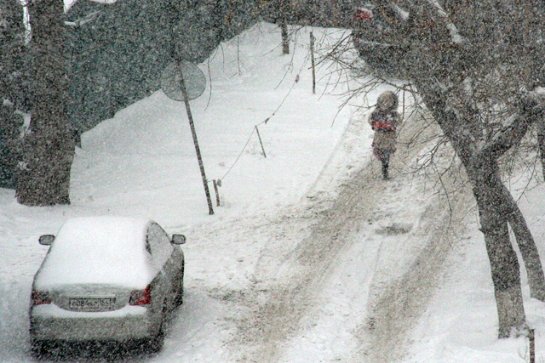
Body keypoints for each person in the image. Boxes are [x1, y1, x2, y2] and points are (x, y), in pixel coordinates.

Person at [369, 91, 401, 180]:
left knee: (386, 154)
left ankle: (385, 170)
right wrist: (375, 124)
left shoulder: (394, 114)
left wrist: (390, 124)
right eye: (384, 101)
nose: (386, 104)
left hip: (389, 137)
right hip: (379, 136)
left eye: (389, 101)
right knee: (380, 152)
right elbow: (370, 120)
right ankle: (384, 166)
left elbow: (398, 121)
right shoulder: (376, 113)